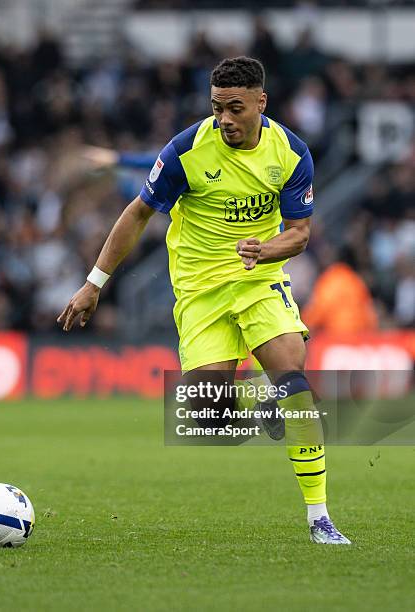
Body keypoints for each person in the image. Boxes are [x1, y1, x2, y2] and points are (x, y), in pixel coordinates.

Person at [58, 57, 350, 545]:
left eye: (235, 108)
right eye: (217, 108)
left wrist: (264, 250)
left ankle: (319, 517)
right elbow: (136, 215)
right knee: (206, 413)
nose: (225, 119)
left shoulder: (292, 153)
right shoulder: (187, 151)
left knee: (293, 380)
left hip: (258, 280)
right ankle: (261, 402)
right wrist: (94, 282)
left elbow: (299, 234)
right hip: (199, 291)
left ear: (261, 102)